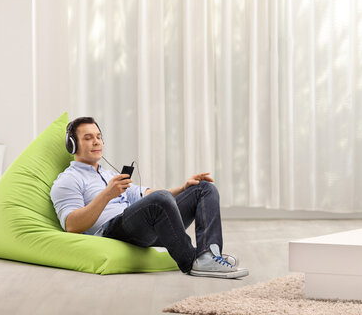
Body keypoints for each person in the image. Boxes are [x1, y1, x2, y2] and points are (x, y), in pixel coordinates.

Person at [50, 117, 248, 279]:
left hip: (140, 226)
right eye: (88, 138)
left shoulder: (109, 175)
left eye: (99, 137)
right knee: (160, 200)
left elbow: (147, 195)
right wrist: (107, 194)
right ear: (72, 145)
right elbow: (72, 225)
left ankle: (208, 255)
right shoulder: (68, 180)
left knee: (203, 188)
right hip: (111, 231)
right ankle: (192, 261)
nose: (97, 142)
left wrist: (183, 188)